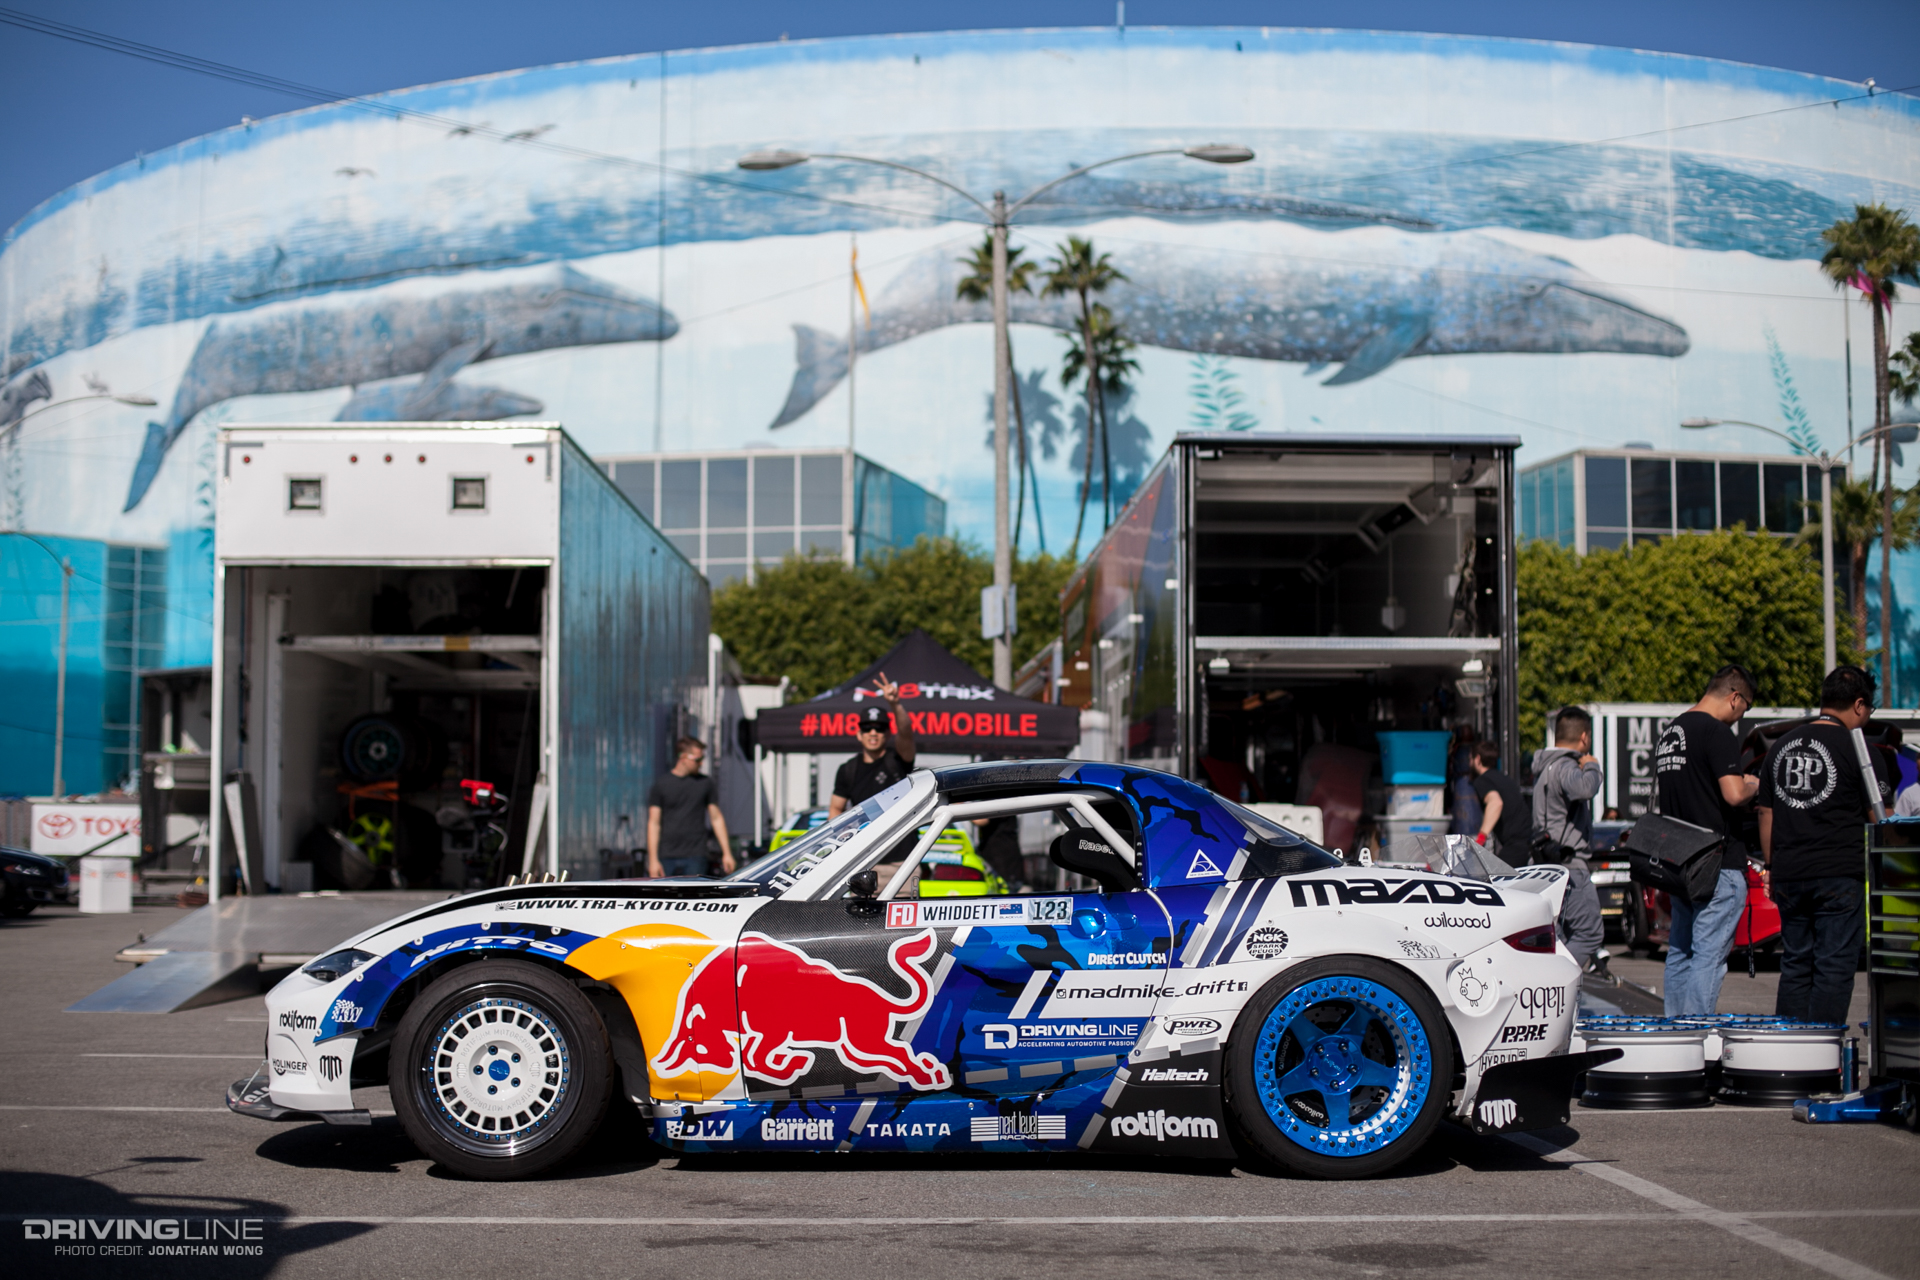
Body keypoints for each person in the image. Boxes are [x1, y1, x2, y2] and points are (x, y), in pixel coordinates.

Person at [1759, 665, 1887, 1025]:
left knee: (1796, 964)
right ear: (1859, 705)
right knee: (1834, 966)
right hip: (1838, 875)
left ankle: (1788, 1055)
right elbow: (1883, 821)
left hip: (1789, 873)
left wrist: (1773, 864)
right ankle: (1822, 1054)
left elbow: (1765, 814)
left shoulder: (1779, 747)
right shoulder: (1860, 751)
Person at [1651, 664, 1762, 1017]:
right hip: (1717, 864)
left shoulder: (1672, 731)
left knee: (1680, 952)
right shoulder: (1715, 732)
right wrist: (1753, 784)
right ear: (1734, 697)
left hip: (1679, 862)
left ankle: (1675, 1037)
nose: (1741, 716)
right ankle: (1697, 1033)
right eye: (1745, 707)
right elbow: (1732, 795)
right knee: (1709, 957)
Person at [1532, 707, 1605, 971]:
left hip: (1546, 863)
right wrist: (1593, 766)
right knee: (1589, 934)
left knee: (1558, 936)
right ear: (1584, 737)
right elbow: (1585, 788)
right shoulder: (1565, 766)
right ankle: (1555, 982)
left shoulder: (1545, 766)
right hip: (1569, 865)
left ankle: (1554, 993)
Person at [827, 673, 918, 818]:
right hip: (870, 840)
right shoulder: (848, 770)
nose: (873, 733)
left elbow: (906, 734)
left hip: (903, 839)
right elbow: (836, 808)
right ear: (859, 734)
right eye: (867, 728)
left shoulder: (898, 759)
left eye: (879, 728)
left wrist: (895, 704)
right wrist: (841, 837)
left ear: (888, 734)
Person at [646, 736, 735, 879]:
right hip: (666, 855)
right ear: (683, 757)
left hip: (696, 854)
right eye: (697, 760)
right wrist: (653, 860)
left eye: (702, 759)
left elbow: (716, 818)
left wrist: (727, 853)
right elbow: (653, 823)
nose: (701, 763)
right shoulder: (661, 785)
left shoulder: (705, 783)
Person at [1468, 741, 1527, 860]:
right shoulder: (1502, 778)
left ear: (1477, 759)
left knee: (1497, 877)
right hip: (1527, 843)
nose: (1469, 763)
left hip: (1515, 845)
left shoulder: (1482, 780)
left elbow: (1495, 803)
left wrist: (1481, 838)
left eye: (1470, 759)